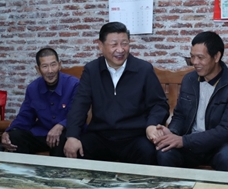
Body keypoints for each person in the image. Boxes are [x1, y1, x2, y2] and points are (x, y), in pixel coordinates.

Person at [64, 21, 169, 164]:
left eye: (124, 44)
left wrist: (152, 125)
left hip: (134, 137)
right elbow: (79, 105)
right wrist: (72, 136)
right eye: (114, 44)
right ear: (100, 45)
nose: (120, 49)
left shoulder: (143, 69)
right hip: (101, 137)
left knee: (149, 152)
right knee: (71, 148)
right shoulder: (92, 70)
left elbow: (159, 104)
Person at [153, 31, 228, 171]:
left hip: (219, 145)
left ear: (216, 57)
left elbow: (227, 130)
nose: (195, 62)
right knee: (164, 152)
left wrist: (184, 141)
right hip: (190, 144)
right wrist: (172, 132)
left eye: (200, 57)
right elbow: (180, 115)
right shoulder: (189, 80)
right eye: (192, 57)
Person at [1, 47, 79, 156]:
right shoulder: (33, 88)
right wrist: (8, 131)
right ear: (38, 69)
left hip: (64, 134)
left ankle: (55, 168)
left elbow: (77, 113)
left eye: (53, 65)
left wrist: (60, 126)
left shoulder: (74, 84)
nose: (50, 71)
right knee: (14, 136)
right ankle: (24, 167)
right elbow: (25, 116)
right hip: (43, 134)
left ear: (59, 65)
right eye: (45, 66)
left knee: (62, 138)